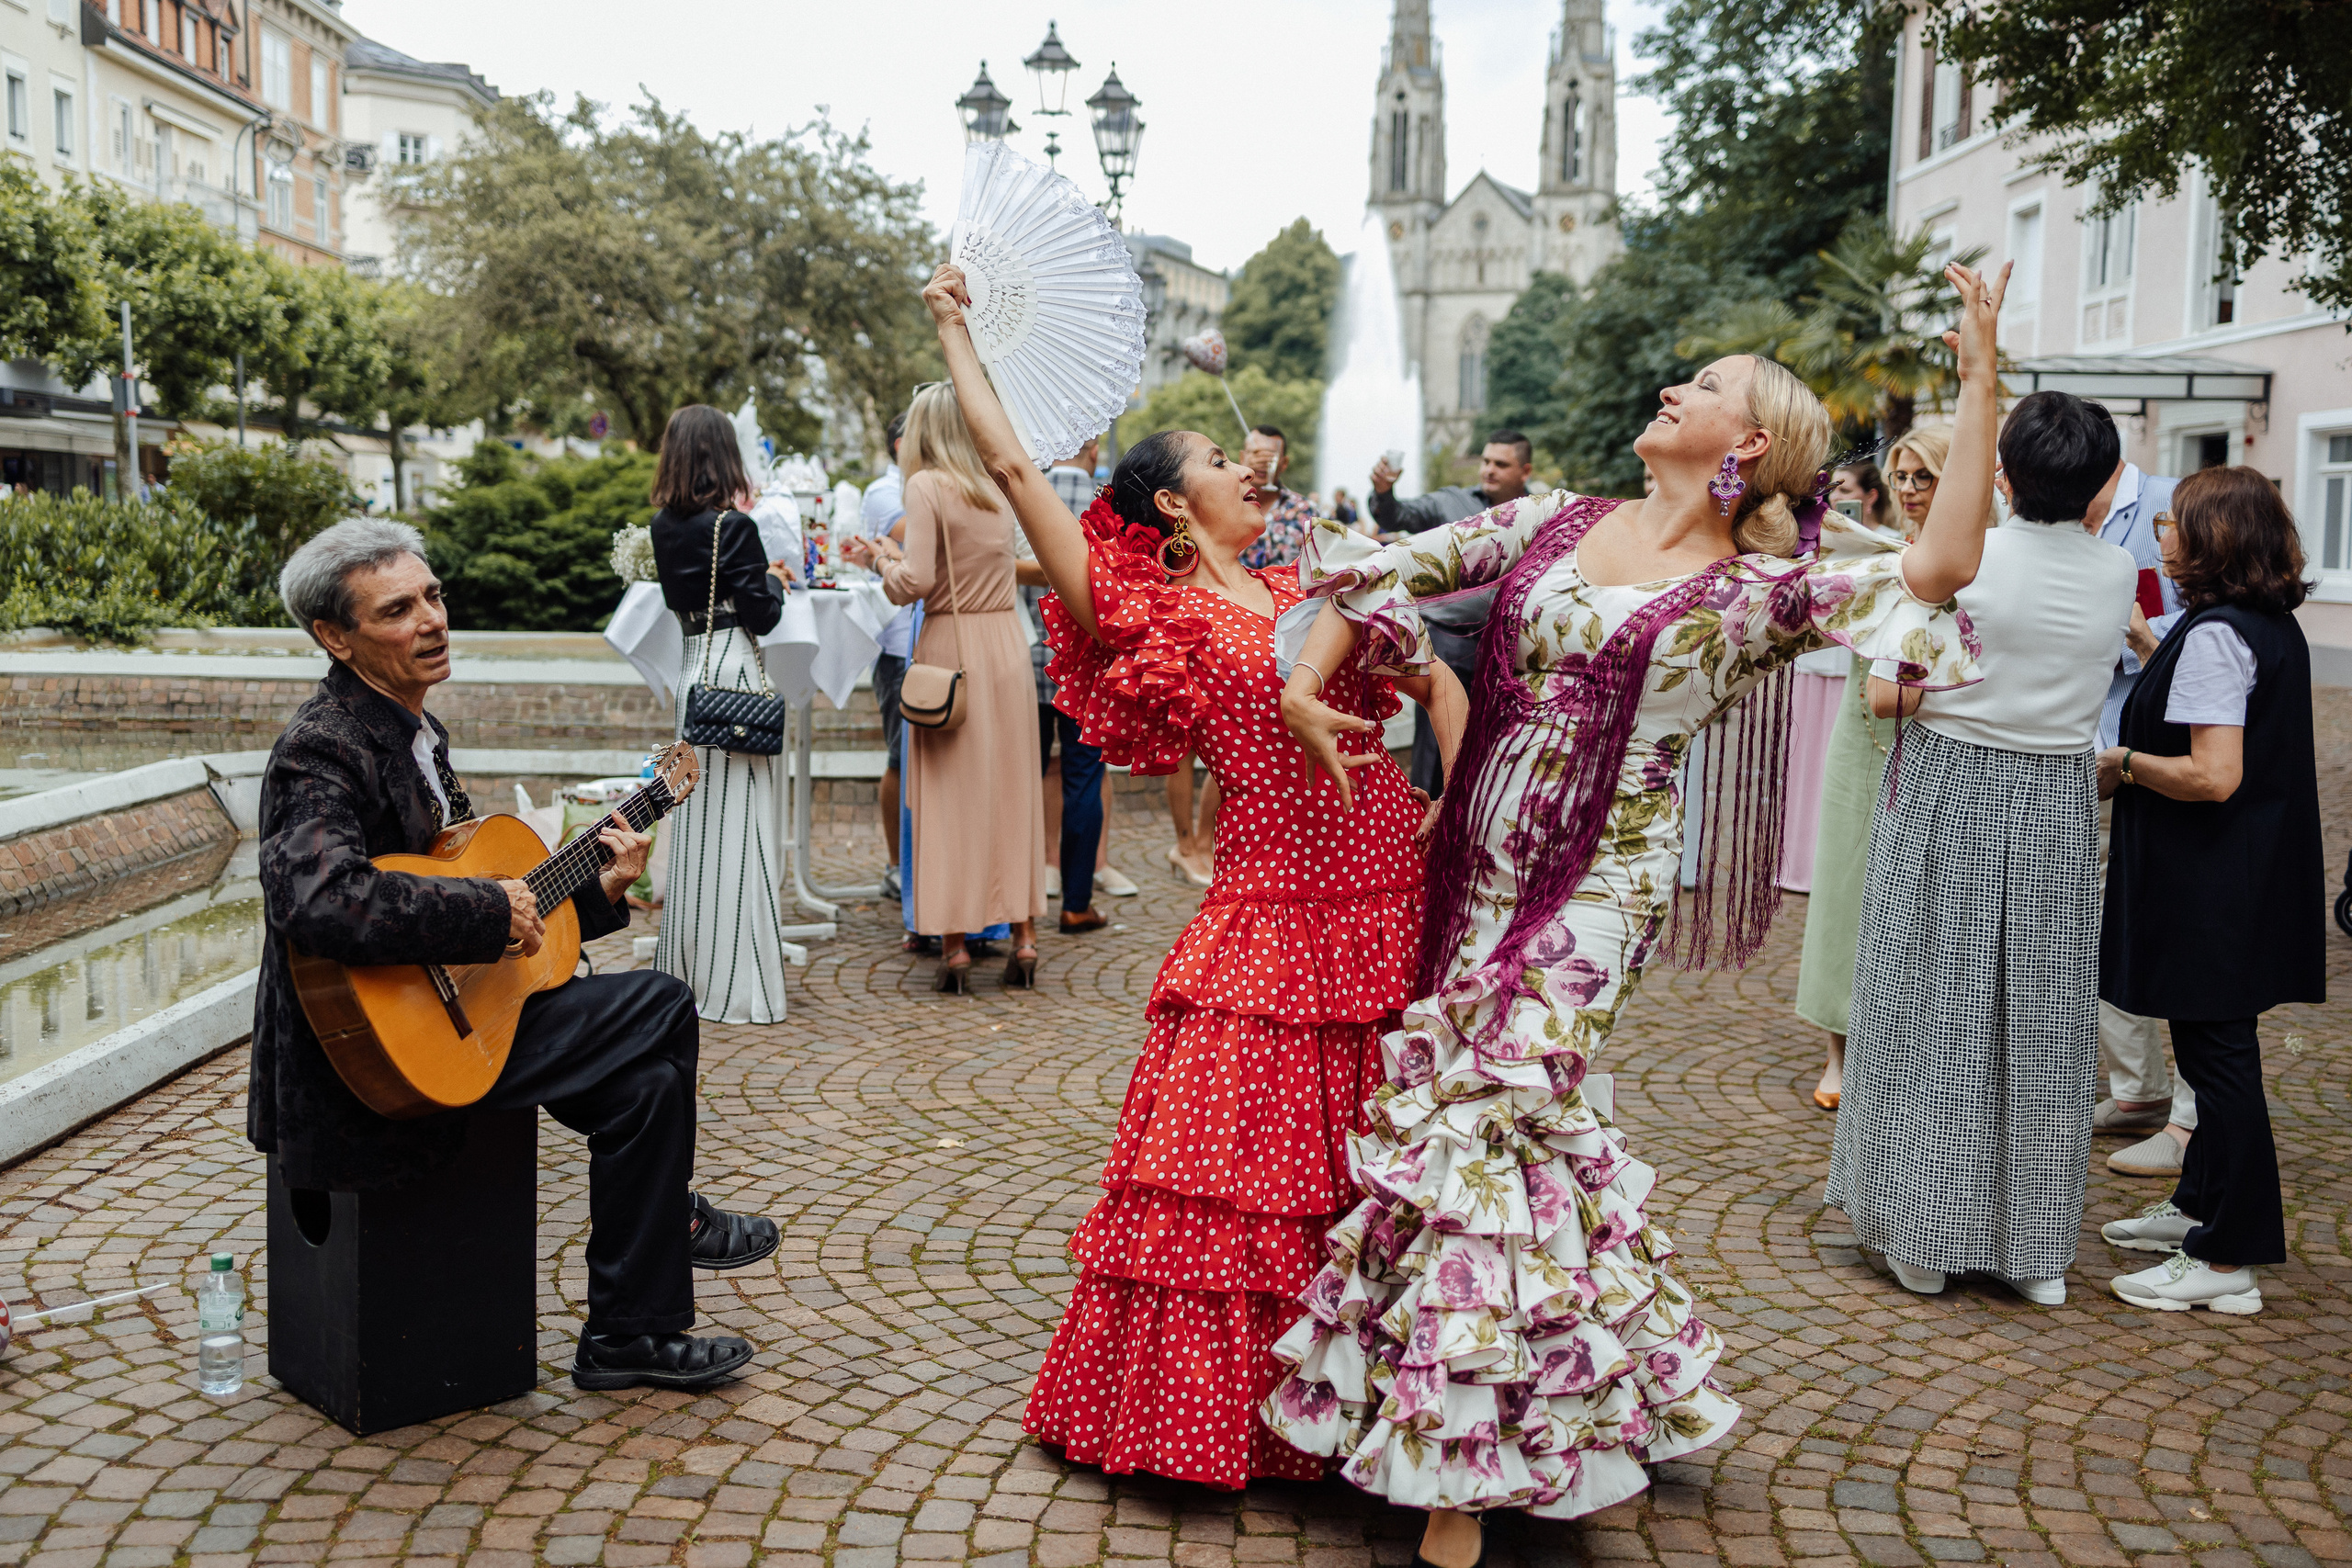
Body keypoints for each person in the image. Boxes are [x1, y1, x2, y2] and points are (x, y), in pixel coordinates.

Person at [1265, 272, 2005, 1549]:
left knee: (1491, 1114)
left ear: (1749, 441)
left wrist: (1980, 374)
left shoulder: (1763, 591)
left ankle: (1460, 1474)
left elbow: (1940, 567)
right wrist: (1301, 692)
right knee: (1491, 1125)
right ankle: (1616, 1383)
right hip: (1477, 864)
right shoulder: (1548, 520)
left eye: (1702, 385)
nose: (1671, 388)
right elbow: (1379, 569)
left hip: (1603, 883)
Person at [920, 261, 1449, 1490]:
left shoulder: (1307, 584)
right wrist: (954, 332)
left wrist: (1448, 787)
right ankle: (1230, 1420)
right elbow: (1014, 471)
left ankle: (1398, 1412)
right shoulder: (1149, 612)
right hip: (1273, 905)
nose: (1246, 469)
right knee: (1232, 1170)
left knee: (1391, 1162)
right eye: (1217, 460)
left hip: (1388, 892)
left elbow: (1431, 676)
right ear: (1170, 501)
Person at [251, 519, 779, 1392]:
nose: (432, 620)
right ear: (334, 638)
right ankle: (674, 1225)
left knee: (646, 1089)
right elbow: (320, 899)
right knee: (660, 1003)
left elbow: (500, 914)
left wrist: (595, 893)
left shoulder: (418, 732)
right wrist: (489, 908)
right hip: (370, 1060)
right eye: (397, 610)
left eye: (433, 596)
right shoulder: (322, 746)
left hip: (457, 1021)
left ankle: (627, 1338)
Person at [1829, 389, 2140, 1310]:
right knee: (2042, 1016)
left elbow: (1886, 693)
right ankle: (2033, 1250)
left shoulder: (1962, 559)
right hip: (2056, 792)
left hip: (1951, 778)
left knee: (1927, 998)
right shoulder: (2117, 570)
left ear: (2004, 476)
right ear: (2101, 482)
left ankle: (1920, 1234)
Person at [2096, 468, 2323, 1314]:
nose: (2163, 532)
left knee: (2221, 1063)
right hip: (2245, 872)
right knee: (2208, 1049)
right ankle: (2199, 1206)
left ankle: (2230, 1256)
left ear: (2214, 538)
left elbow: (2213, 773)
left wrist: (2122, 762)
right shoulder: (2261, 622)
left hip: (2215, 879)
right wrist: (2150, 645)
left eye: (2175, 522)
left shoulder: (2220, 633)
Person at [845, 383, 1046, 991]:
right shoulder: (998, 484)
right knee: (1012, 794)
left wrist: (881, 560)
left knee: (950, 799)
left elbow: (916, 582)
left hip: (951, 648)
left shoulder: (927, 486)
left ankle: (956, 949)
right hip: (1007, 647)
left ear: (923, 431)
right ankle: (1024, 938)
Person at [1792, 433, 1961, 1109]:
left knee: (1934, 895)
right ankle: (1838, 1046)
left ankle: (1912, 1041)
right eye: (1902, 475)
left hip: (1944, 732)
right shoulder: (1877, 549)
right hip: (1865, 729)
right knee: (1845, 882)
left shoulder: (1977, 556)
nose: (1910, 488)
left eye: (1925, 475)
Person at [648, 406, 795, 1025]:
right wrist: (774, 579)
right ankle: (739, 981)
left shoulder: (661, 526)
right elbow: (764, 615)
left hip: (693, 673)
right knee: (743, 826)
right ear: (724, 456)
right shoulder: (732, 527)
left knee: (699, 825)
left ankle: (691, 968)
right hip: (733, 673)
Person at [2079, 457, 2194, 1176]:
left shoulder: (2172, 504)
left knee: (2176, 928)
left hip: (2159, 754)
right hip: (2091, 754)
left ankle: (2192, 1117)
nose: (2001, 480)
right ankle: (2139, 1089)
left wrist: (2134, 635)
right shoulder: (2056, 516)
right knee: (2097, 921)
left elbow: (2213, 622)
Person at [1367, 432, 1539, 795]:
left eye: (1501, 464)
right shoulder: (1450, 501)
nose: (1489, 470)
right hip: (1448, 640)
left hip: (1509, 648)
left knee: (1497, 749)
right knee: (1435, 749)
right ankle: (1426, 822)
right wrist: (1383, 492)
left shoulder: (1541, 513)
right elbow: (1397, 515)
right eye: (1486, 461)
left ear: (1525, 471)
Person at [1028, 435, 1113, 933]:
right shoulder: (1108, 507)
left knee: (1023, 781)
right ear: (1093, 448)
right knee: (1083, 782)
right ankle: (1075, 904)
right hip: (1083, 666)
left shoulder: (1024, 497)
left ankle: (1017, 906)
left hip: (1024, 658)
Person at [861, 413, 914, 901]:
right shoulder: (884, 491)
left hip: (934, 641)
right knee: (900, 758)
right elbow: (922, 536)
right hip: (900, 646)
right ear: (901, 444)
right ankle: (897, 866)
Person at [1237, 424, 1317, 571]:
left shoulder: (1305, 511)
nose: (1263, 461)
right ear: (1242, 457)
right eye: (1256, 453)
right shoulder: (1224, 506)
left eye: (1271, 456)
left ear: (1284, 463)